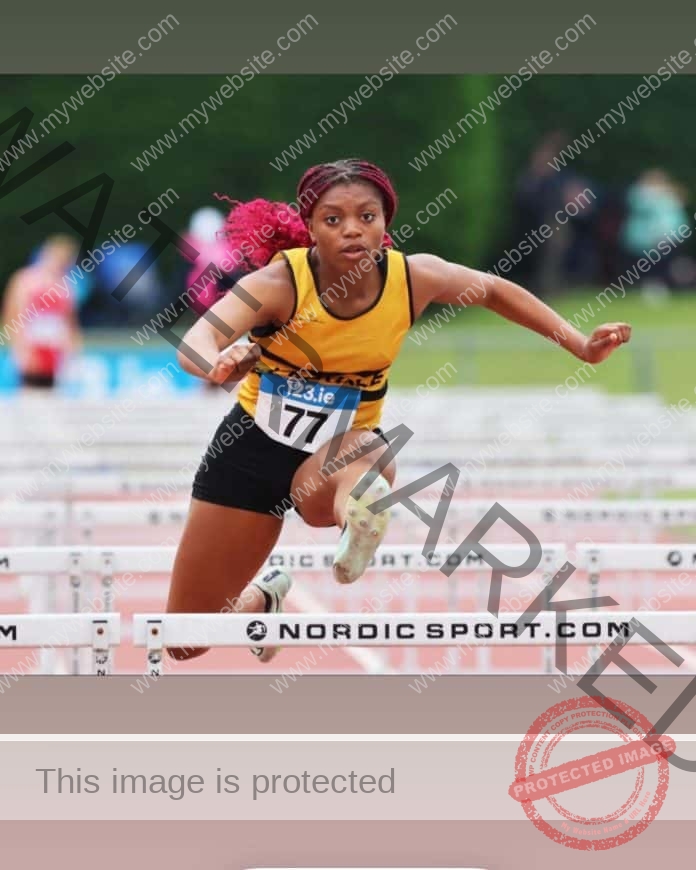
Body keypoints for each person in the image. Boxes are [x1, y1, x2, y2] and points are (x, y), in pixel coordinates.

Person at [166, 158, 631, 663]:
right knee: (185, 641)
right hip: (250, 451)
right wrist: (215, 364)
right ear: (310, 228)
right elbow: (199, 338)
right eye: (334, 219)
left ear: (386, 221)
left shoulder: (413, 278)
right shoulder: (280, 283)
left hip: (341, 455)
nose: (353, 231)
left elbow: (494, 291)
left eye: (367, 217)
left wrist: (580, 345)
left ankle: (359, 518)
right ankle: (262, 599)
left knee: (359, 459)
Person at [1, 235, 82, 390]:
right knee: (30, 393)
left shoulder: (65, 286)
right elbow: (12, 316)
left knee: (50, 396)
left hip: (54, 347)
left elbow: (70, 322)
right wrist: (20, 347)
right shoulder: (25, 281)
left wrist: (72, 351)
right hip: (31, 344)